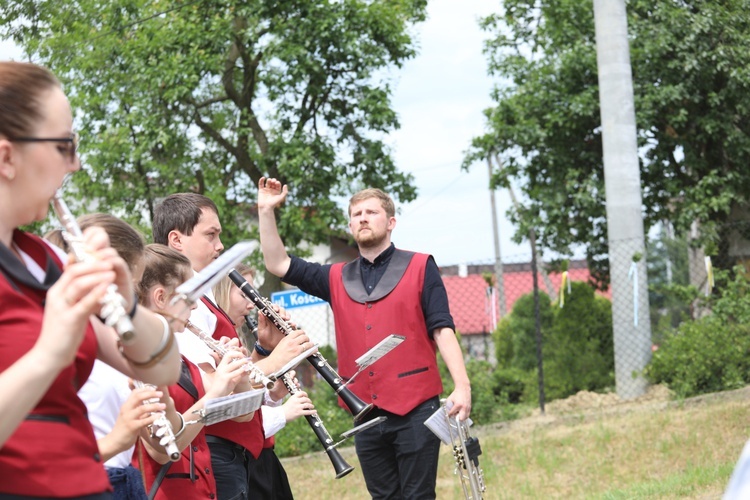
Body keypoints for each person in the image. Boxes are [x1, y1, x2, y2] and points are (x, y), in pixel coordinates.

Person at [0, 60, 181, 498]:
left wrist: (128, 305)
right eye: (64, 145)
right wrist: (50, 351)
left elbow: (163, 367)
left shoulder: (43, 259)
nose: (76, 164)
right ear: (6, 156)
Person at [257, 177, 473, 499]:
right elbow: (278, 263)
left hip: (416, 407)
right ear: (350, 224)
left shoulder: (420, 266)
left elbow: (442, 328)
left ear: (391, 222)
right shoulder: (334, 276)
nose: (363, 218)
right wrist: (265, 211)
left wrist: (462, 385)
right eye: (357, 214)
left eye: (371, 212)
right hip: (365, 414)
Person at [152, 192, 313, 500]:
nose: (220, 246)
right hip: (211, 452)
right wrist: (277, 359)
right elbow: (209, 388)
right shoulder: (183, 299)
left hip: (228, 451)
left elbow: (235, 384)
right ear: (177, 239)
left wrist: (264, 350)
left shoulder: (203, 292)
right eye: (211, 235)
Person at [134, 244, 252, 499]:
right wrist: (217, 390)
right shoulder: (134, 361)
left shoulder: (180, 360)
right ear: (161, 298)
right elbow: (162, 449)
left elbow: (244, 414)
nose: (196, 307)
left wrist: (237, 376)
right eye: (189, 298)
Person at [213, 263, 317, 500]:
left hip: (260, 456)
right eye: (243, 294)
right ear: (220, 291)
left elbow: (249, 397)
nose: (251, 304)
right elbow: (227, 411)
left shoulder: (234, 334)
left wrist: (274, 394)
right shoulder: (216, 338)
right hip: (242, 460)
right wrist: (283, 413)